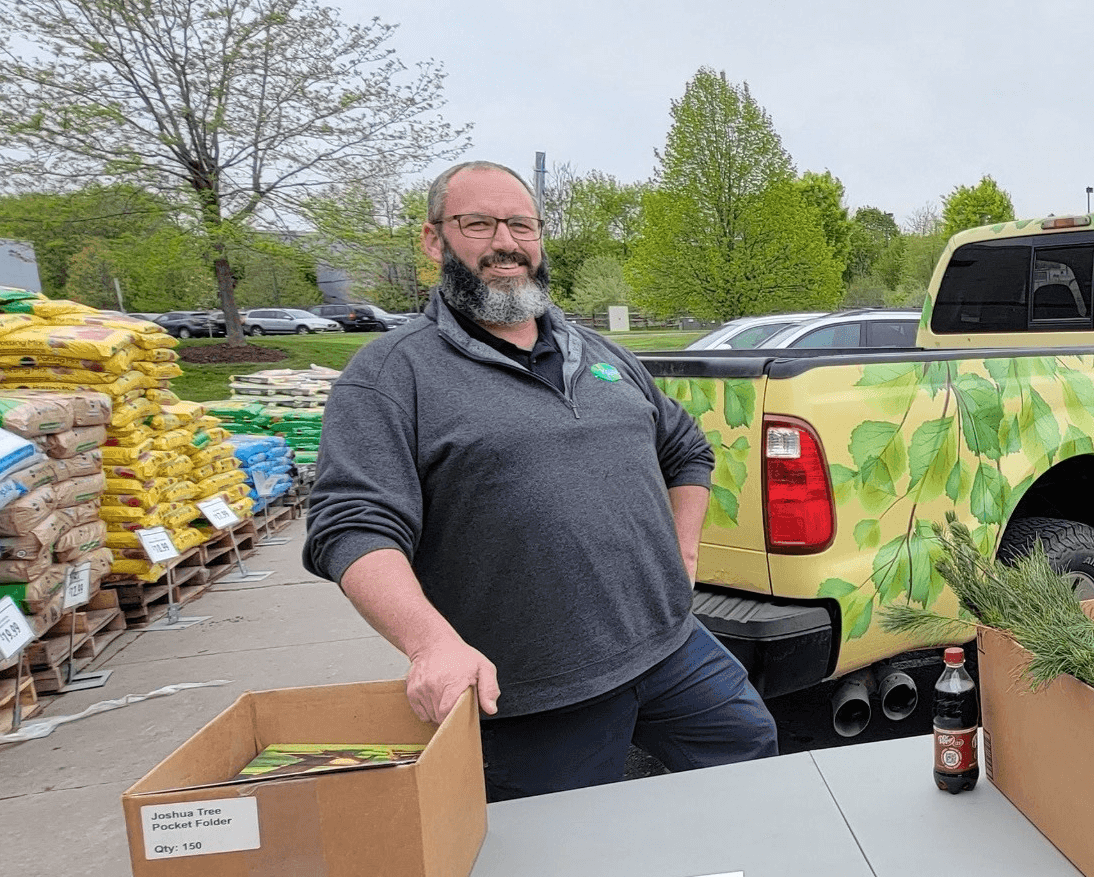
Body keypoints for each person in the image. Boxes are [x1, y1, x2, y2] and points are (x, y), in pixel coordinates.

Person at [303, 159, 778, 800]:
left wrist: (683, 549)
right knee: (565, 859)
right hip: (532, 691)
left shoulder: (602, 355)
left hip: (671, 648)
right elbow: (352, 527)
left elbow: (686, 448)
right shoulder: (391, 376)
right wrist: (430, 646)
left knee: (751, 757)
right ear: (433, 239)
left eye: (521, 225)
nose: (505, 243)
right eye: (479, 224)